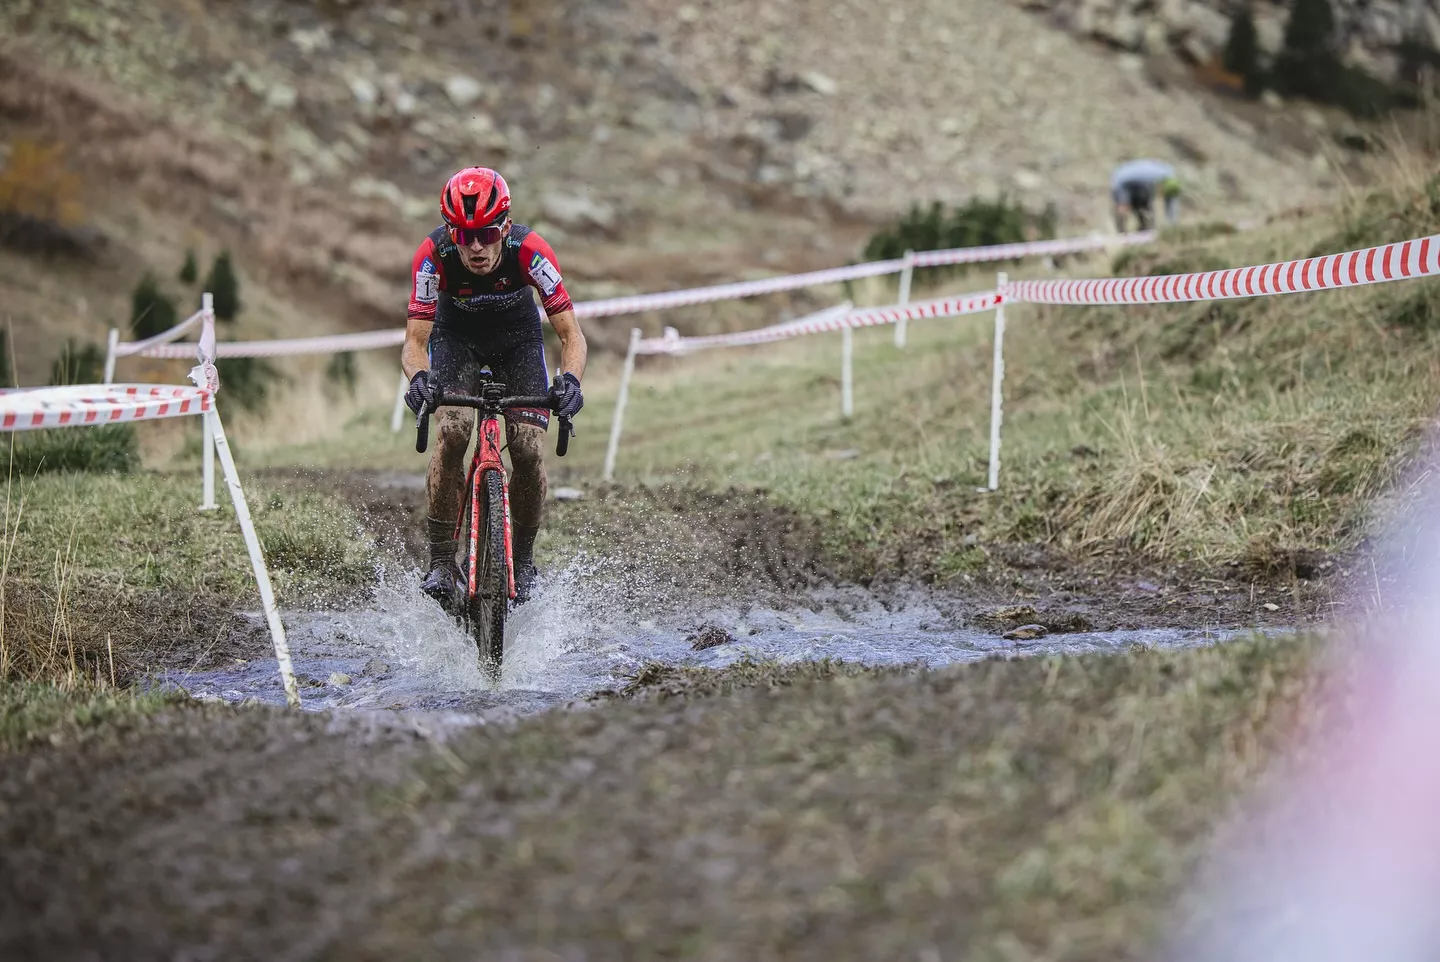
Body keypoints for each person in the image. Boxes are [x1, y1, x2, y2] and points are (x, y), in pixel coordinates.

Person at [401, 166, 587, 609]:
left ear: (504, 226)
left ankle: (522, 561)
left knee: (527, 448)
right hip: (456, 339)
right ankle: (442, 561)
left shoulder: (532, 252)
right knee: (453, 432)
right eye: (465, 236)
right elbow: (414, 343)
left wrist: (572, 382)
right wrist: (420, 379)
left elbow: (571, 336)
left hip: (517, 339)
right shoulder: (432, 255)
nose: (476, 247)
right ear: (452, 233)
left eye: (486, 234)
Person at [1110, 159, 1181, 232]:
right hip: (1121, 181)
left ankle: (1145, 228)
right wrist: (1173, 224)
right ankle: (1121, 231)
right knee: (1124, 207)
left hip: (1139, 183)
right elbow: (1171, 205)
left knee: (1144, 205)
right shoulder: (1165, 176)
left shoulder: (1167, 174)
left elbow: (1170, 201)